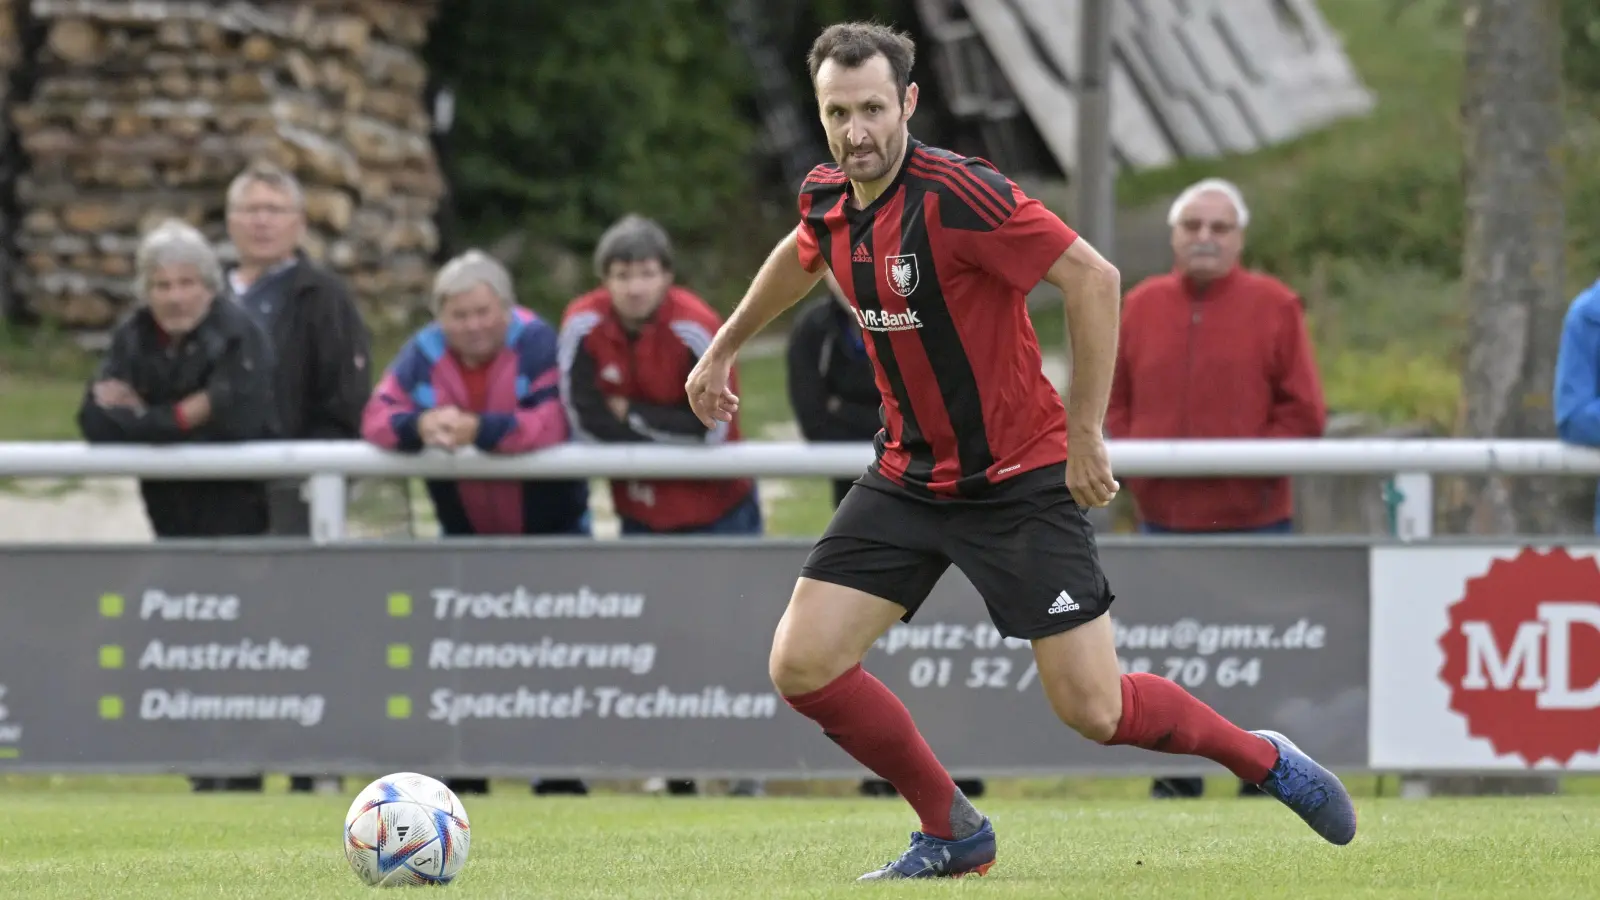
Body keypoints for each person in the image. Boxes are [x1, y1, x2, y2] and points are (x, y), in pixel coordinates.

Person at [683, 21, 1357, 881]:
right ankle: (953, 831)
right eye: (838, 113)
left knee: (1095, 710)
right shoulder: (827, 192)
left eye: (873, 110)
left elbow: (1094, 278)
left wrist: (1085, 435)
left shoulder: (961, 193)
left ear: (909, 103)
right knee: (803, 663)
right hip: (909, 477)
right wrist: (724, 345)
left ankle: (1261, 758)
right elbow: (805, 251)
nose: (857, 133)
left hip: (1018, 481)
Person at [1108, 177, 1327, 799]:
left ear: (1239, 239)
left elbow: (1304, 413)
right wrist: (1142, 469)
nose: (1205, 238)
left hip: (1254, 527)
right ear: (1174, 235)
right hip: (1162, 527)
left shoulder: (1276, 305)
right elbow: (1113, 403)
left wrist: (1239, 467)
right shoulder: (1142, 304)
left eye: (1219, 228)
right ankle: (1175, 780)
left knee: (1253, 660)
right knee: (1170, 659)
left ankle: (1265, 780)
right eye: (1193, 226)